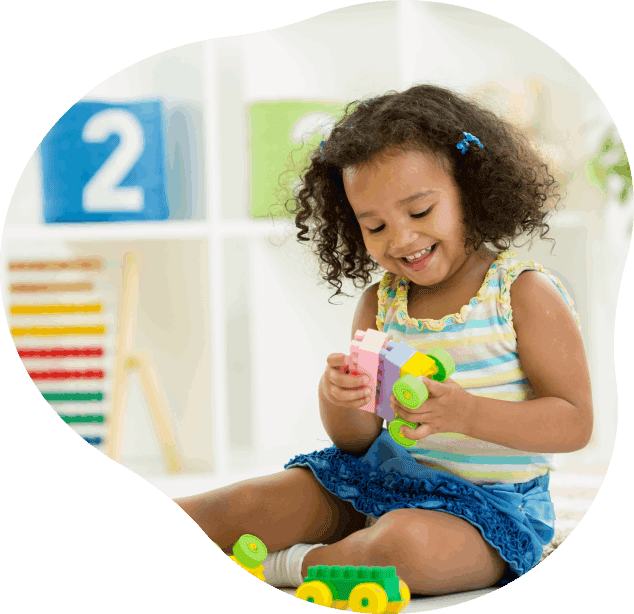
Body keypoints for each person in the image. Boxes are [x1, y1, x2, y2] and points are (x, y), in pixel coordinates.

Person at [175, 84, 593, 595]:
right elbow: (357, 440)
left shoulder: (521, 293)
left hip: (492, 511)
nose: (401, 240)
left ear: (471, 190)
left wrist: (465, 414)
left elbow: (573, 423)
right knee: (240, 504)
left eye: (419, 213)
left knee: (403, 547)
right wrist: (340, 398)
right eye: (375, 226)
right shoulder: (382, 302)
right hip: (384, 482)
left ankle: (284, 566)